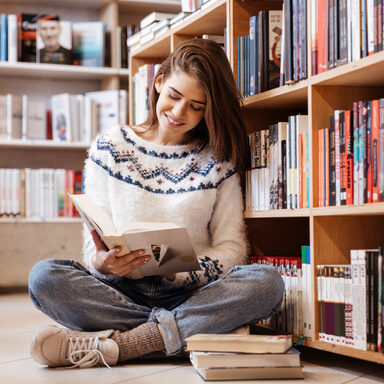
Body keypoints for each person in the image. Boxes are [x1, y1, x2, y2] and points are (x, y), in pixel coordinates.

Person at [28, 38, 284, 369]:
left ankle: (123, 344)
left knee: (267, 283)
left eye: (196, 106)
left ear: (209, 110)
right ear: (159, 83)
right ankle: (191, 332)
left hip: (189, 294)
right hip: (120, 292)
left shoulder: (218, 162)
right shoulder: (109, 148)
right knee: (44, 277)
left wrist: (179, 275)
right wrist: (104, 263)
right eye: (175, 97)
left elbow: (233, 248)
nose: (179, 113)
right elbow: (92, 249)